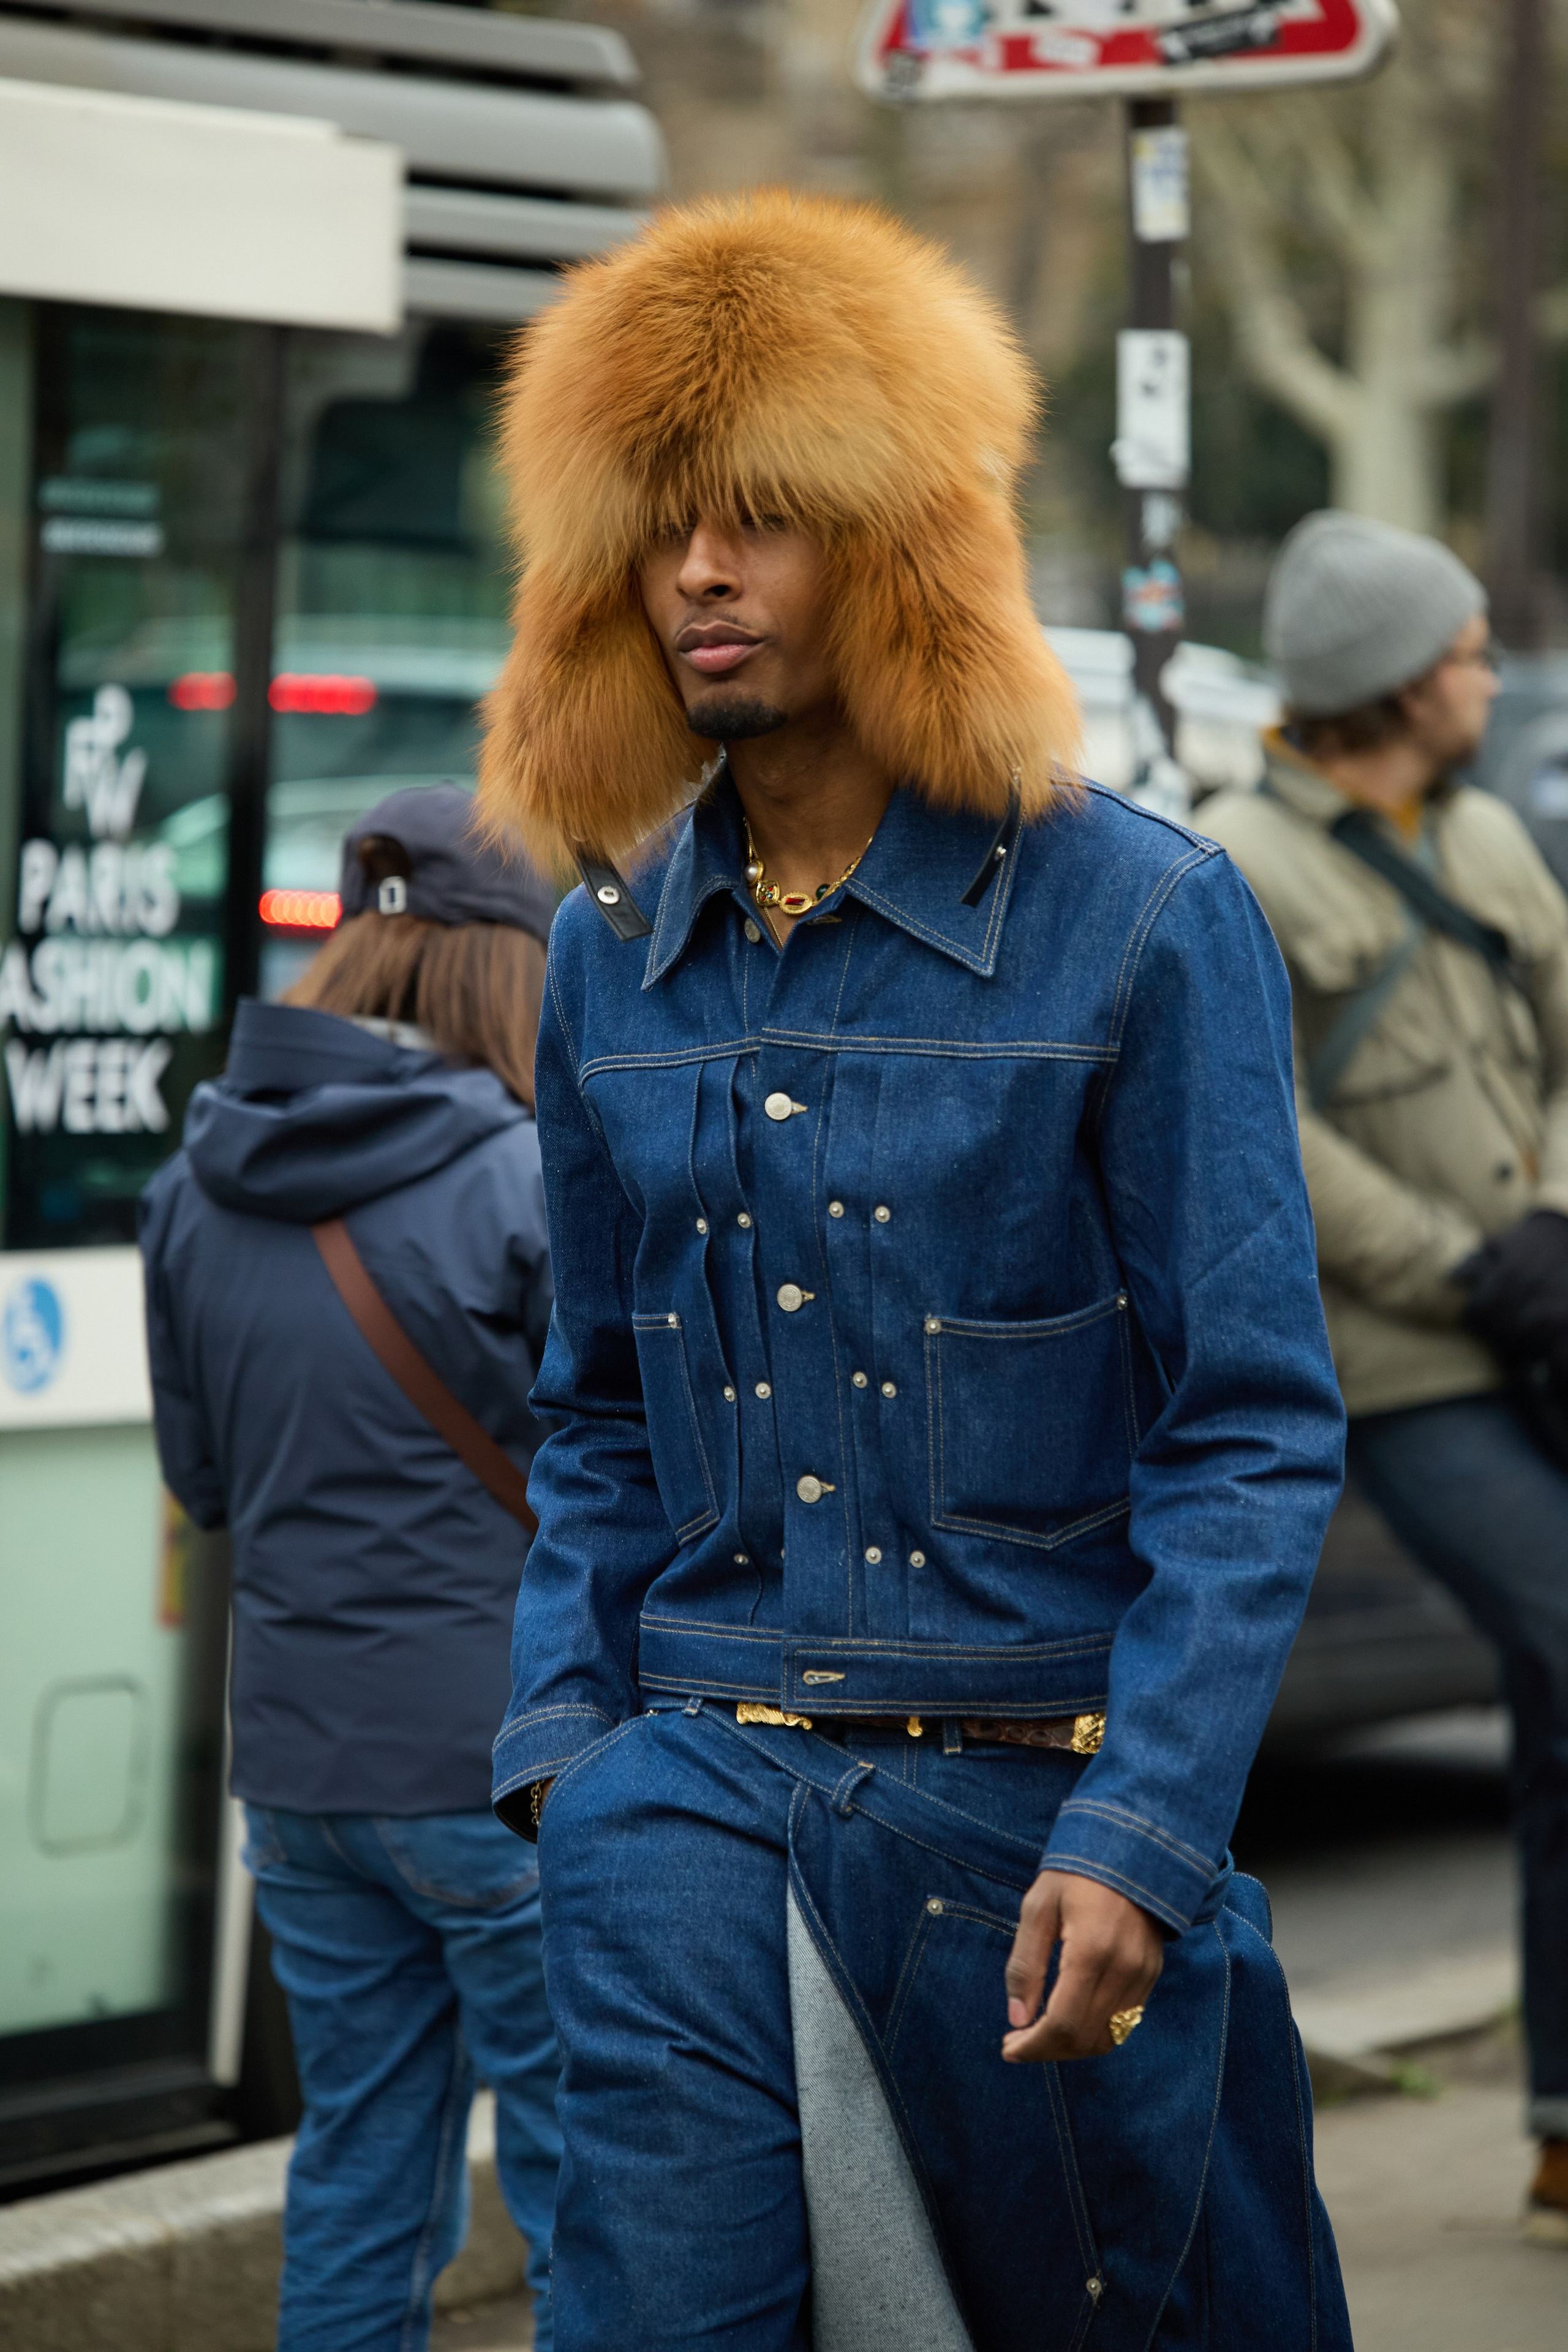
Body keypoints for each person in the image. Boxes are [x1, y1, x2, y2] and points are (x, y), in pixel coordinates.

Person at [478, 189, 1352, 2349]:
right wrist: (569, 1753)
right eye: (666, 518)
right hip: (675, 1810)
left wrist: (1146, 1831)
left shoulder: (1143, 920)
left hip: (1036, 1830)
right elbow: (591, 1403)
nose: (700, 566)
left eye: (763, 513)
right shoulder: (606, 953)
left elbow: (1251, 1425)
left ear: (896, 541)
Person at [138, 786, 562, 2350]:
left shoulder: (191, 1190)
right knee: (590, 2176)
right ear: (510, 965)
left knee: (359, 2167)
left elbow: (203, 1486)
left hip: (302, 1780)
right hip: (505, 1769)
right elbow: (612, 1478)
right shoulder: (523, 1180)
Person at [1202, 509, 1568, 2248]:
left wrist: (1558, 1223)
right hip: (1411, 1366)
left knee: (1559, 1720)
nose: (1492, 675)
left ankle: (1565, 2124)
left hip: (1549, 1325)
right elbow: (1264, 1129)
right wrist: (1462, 1269)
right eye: (1476, 650)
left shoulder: (1492, 830)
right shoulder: (1240, 869)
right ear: (1401, 681)